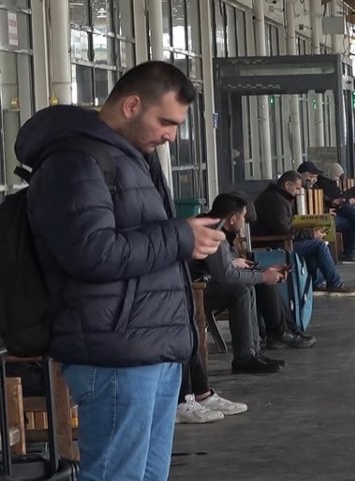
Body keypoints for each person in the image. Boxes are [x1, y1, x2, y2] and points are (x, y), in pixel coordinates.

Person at [17, 61, 225, 481]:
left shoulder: (131, 157)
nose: (171, 136)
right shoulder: (74, 162)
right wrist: (180, 238)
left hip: (152, 346)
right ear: (131, 105)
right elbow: (91, 254)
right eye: (166, 121)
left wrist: (186, 240)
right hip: (115, 352)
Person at [195, 193, 288, 375]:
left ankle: (253, 352)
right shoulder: (214, 233)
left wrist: (258, 271)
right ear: (233, 218)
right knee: (240, 291)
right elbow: (226, 276)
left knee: (247, 287)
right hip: (193, 290)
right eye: (243, 217)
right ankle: (244, 358)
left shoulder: (214, 226)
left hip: (203, 284)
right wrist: (263, 277)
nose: (244, 221)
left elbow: (223, 264)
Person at [253, 171, 355, 295]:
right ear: (287, 185)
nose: (297, 193)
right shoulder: (275, 201)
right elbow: (285, 230)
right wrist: (311, 233)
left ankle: (317, 283)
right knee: (318, 245)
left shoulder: (275, 197)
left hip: (277, 241)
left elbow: (284, 226)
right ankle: (335, 284)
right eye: (296, 189)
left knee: (315, 243)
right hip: (275, 245)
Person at [298, 161, 355, 262]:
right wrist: (326, 210)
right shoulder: (298, 191)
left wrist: (332, 203)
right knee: (349, 209)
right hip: (316, 219)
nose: (313, 180)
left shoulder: (314, 187)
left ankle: (352, 252)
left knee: (351, 217)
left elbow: (323, 199)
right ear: (300, 175)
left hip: (326, 214)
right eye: (310, 177)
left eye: (314, 177)